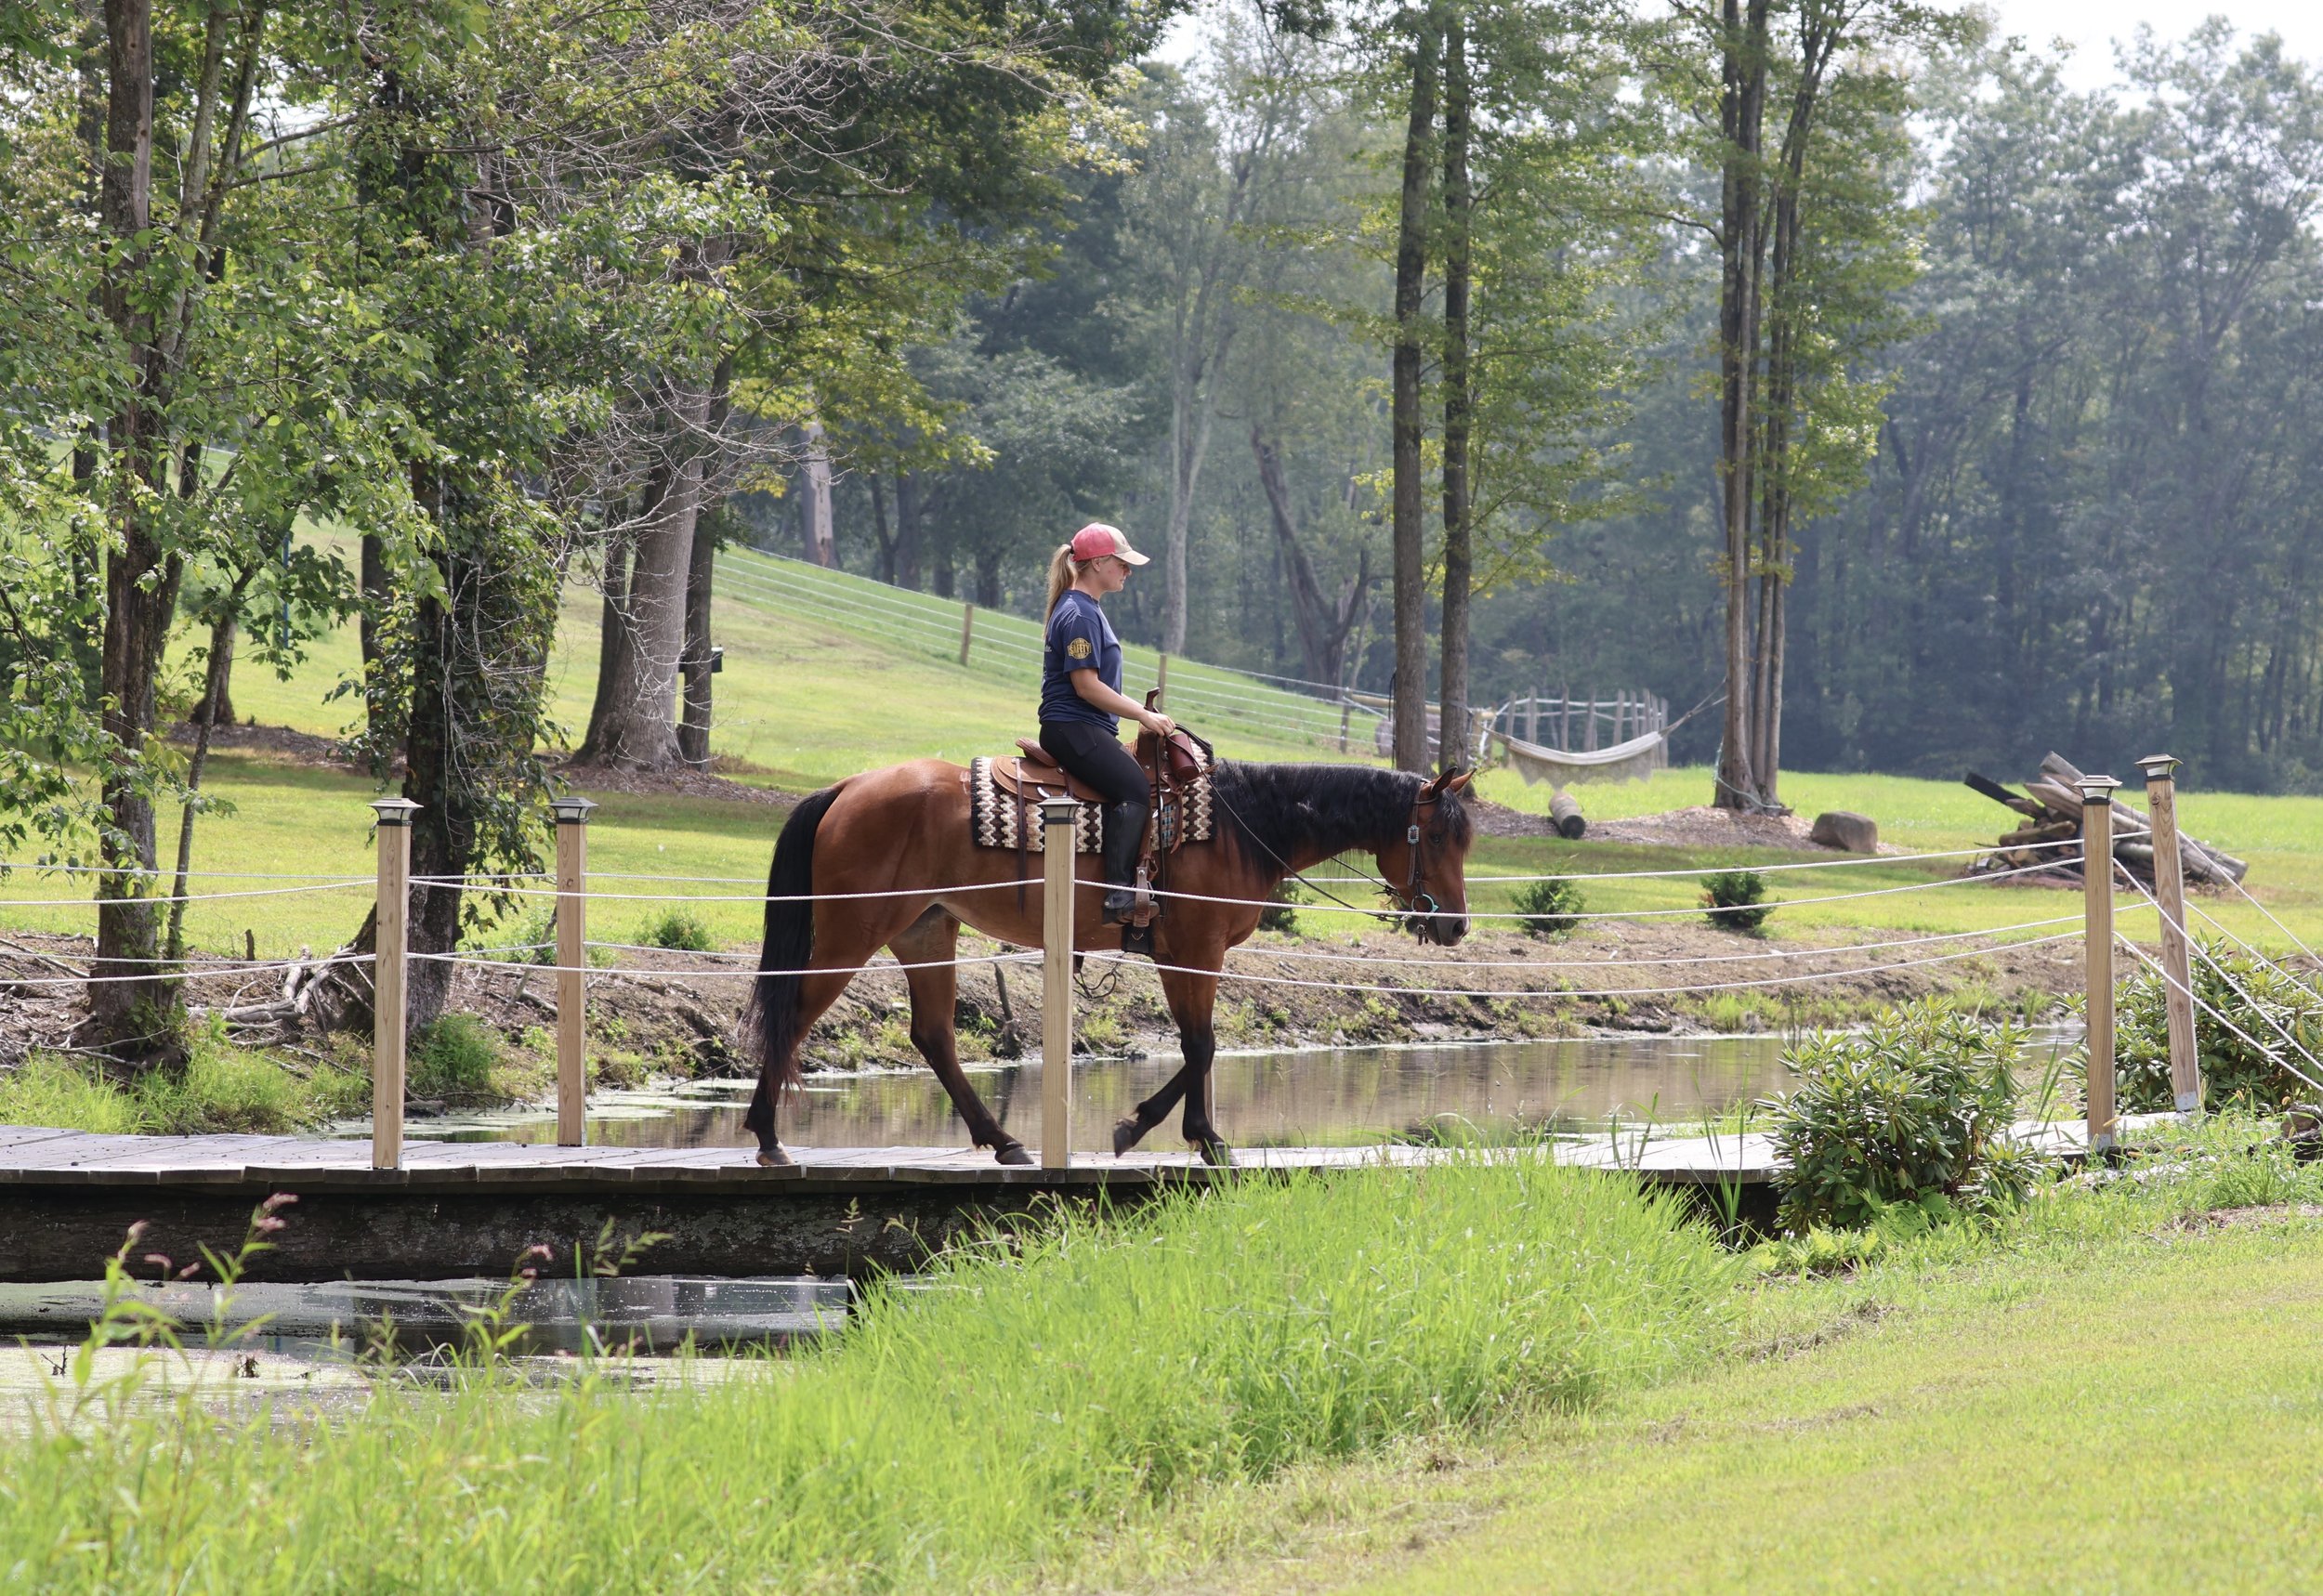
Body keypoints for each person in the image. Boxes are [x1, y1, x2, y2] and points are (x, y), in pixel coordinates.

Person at [1039, 522, 1175, 922]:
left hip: (1084, 727)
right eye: (1122, 563)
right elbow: (1086, 686)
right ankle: (1117, 894)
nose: (1127, 571)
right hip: (1073, 727)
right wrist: (1143, 714)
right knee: (1135, 789)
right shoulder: (1079, 614)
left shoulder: (1086, 608)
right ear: (1098, 562)